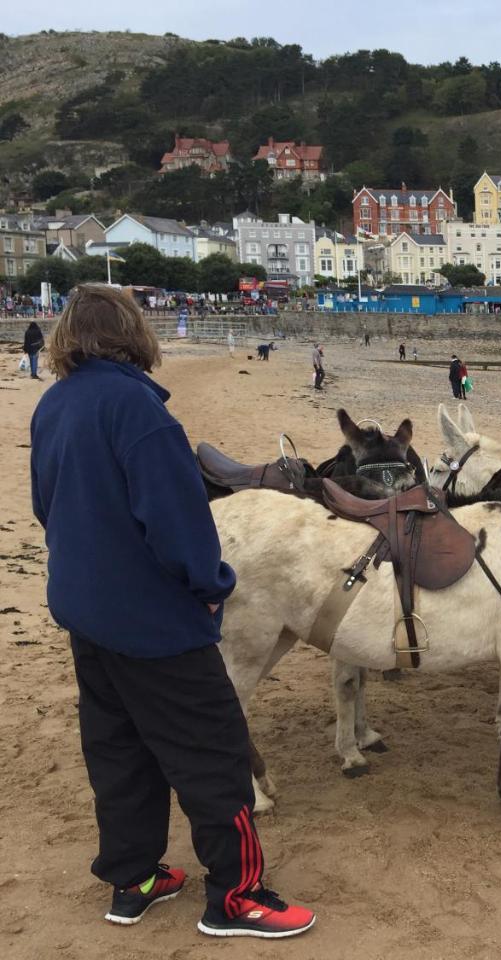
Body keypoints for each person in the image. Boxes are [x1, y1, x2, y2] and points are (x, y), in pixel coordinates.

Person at [28, 284, 314, 938]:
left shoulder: (54, 405)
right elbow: (180, 527)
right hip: (153, 625)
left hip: (86, 614)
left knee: (119, 750)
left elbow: (47, 507)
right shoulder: (140, 412)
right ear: (134, 334)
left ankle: (133, 879)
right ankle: (237, 897)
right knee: (214, 754)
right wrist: (211, 583)